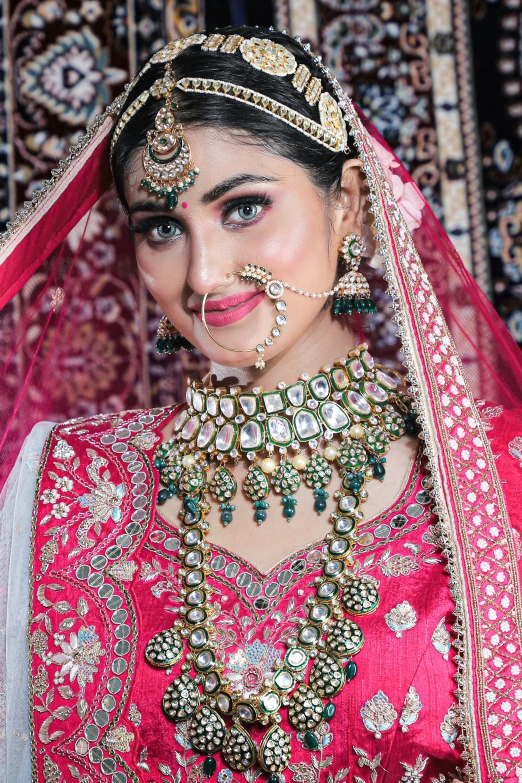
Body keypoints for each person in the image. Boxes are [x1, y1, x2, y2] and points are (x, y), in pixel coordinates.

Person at [1, 25, 522, 783]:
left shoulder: (498, 479)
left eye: (242, 208)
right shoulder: (63, 486)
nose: (205, 274)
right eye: (162, 227)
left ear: (345, 203)